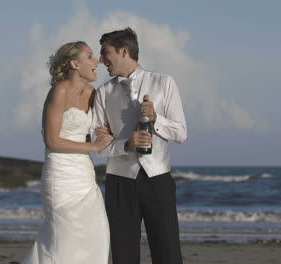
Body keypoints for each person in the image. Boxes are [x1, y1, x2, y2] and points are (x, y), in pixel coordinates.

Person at [93, 27, 187, 264]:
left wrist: (157, 118)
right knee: (123, 255)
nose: (101, 60)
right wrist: (126, 145)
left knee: (168, 253)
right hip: (119, 182)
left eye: (106, 53)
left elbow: (181, 133)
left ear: (124, 51)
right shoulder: (103, 93)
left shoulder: (164, 82)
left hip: (158, 180)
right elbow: (98, 145)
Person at [22, 41, 112, 264]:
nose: (97, 61)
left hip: (84, 177)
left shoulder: (93, 94)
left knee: (96, 235)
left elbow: (90, 133)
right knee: (64, 240)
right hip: (61, 177)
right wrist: (93, 146)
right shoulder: (59, 91)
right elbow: (52, 140)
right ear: (74, 63)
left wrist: (100, 134)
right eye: (90, 57)